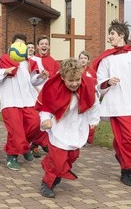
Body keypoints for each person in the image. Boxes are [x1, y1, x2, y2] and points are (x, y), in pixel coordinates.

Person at [93, 19, 131, 187]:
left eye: (112, 33)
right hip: (118, 102)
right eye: (109, 34)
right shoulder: (106, 58)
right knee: (127, 138)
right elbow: (98, 81)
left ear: (121, 35)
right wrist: (107, 81)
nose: (110, 37)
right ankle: (127, 170)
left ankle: (121, 153)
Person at [35, 58, 100, 198]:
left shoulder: (87, 84)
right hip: (59, 127)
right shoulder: (53, 87)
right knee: (58, 161)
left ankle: (55, 170)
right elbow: (45, 107)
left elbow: (94, 104)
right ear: (63, 77)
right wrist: (45, 119)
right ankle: (47, 183)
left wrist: (94, 120)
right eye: (71, 81)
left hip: (77, 126)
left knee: (72, 156)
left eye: (77, 79)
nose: (75, 83)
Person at [0, 33, 49, 170]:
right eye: (17, 44)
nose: (20, 47)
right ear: (11, 46)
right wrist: (5, 71)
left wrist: (40, 76)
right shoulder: (2, 60)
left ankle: (24, 146)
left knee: (35, 124)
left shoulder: (28, 62)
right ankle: (12, 156)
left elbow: (32, 81)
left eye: (22, 45)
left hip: (27, 100)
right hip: (10, 101)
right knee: (16, 131)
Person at [29, 35, 59, 157]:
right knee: (36, 120)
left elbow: (57, 78)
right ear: (38, 46)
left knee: (49, 119)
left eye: (46, 44)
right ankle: (35, 144)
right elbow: (30, 79)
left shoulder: (53, 62)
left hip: (50, 94)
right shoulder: (32, 60)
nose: (44, 46)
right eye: (42, 44)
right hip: (35, 93)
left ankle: (44, 142)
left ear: (49, 46)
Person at [78, 50, 98, 144]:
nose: (83, 60)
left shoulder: (92, 72)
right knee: (80, 118)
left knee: (91, 117)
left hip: (90, 96)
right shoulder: (76, 71)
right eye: (81, 58)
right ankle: (79, 136)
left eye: (85, 58)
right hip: (79, 97)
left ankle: (89, 139)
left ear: (88, 60)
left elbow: (96, 83)